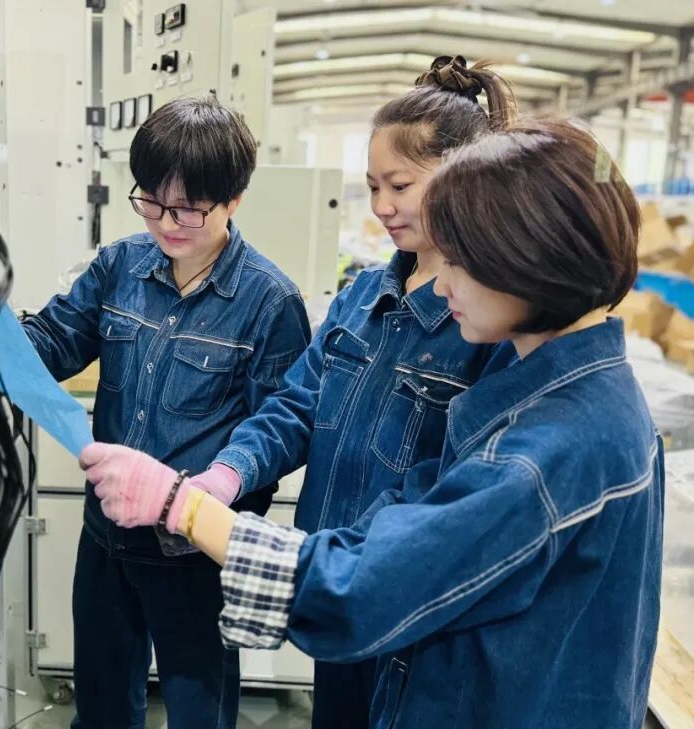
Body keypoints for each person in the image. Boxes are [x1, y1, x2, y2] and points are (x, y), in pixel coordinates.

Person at [80, 116, 665, 729]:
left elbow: (364, 585)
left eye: (458, 259)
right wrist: (229, 476)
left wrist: (182, 506)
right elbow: (393, 494)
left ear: (528, 259)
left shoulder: (551, 446)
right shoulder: (565, 391)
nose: (443, 282)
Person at [186, 55, 515, 728]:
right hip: (333, 579)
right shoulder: (362, 297)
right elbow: (298, 404)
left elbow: (451, 487)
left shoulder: (487, 325)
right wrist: (231, 469)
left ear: (464, 177)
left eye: (400, 185)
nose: (382, 206)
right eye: (371, 187)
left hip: (408, 600)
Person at [22, 95, 311, 729]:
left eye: (187, 208)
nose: (166, 222)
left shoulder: (269, 301)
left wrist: (221, 484)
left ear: (233, 200)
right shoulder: (119, 266)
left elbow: (284, 425)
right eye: (152, 201)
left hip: (194, 552)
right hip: (107, 537)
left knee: (198, 711)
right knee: (101, 705)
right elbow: (56, 341)